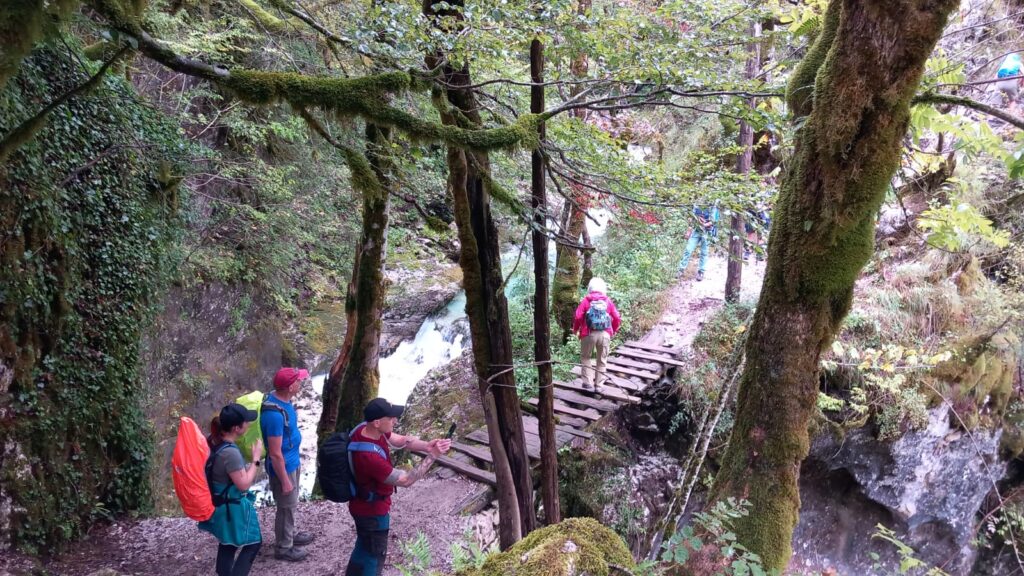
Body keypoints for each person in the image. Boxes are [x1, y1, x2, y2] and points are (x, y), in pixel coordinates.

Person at [345, 398, 452, 576]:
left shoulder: (366, 429)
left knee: (363, 546)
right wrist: (433, 455)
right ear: (378, 422)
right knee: (375, 555)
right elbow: (406, 480)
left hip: (361, 505)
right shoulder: (369, 458)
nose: (395, 420)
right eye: (391, 417)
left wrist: (427, 445)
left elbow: (400, 440)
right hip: (372, 511)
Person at [199, 404, 264, 576]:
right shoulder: (230, 454)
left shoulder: (214, 441)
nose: (248, 424)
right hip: (231, 507)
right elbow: (243, 484)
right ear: (236, 428)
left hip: (220, 503)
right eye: (246, 422)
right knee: (253, 543)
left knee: (228, 542)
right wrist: (256, 459)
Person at [262, 366, 312, 561]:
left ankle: (289, 534)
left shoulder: (282, 401)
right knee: (286, 506)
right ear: (291, 387)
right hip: (283, 467)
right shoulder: (274, 415)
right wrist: (284, 480)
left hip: (292, 461)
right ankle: (284, 547)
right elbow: (275, 453)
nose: (301, 383)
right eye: (298, 381)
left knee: (290, 504)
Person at [572, 277, 622, 391]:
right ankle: (599, 386)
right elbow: (617, 317)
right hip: (605, 334)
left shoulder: (586, 300)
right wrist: (613, 330)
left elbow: (578, 316)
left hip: (588, 333)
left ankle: (587, 383)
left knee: (586, 357)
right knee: (602, 360)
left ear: (590, 287)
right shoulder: (607, 301)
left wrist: (576, 329)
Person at [678, 203, 719, 281]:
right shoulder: (696, 205)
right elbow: (692, 219)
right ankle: (681, 269)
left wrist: (703, 224)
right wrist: (688, 231)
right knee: (688, 250)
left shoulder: (712, 206)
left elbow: (713, 221)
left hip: (707, 232)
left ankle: (701, 272)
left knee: (704, 252)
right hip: (696, 231)